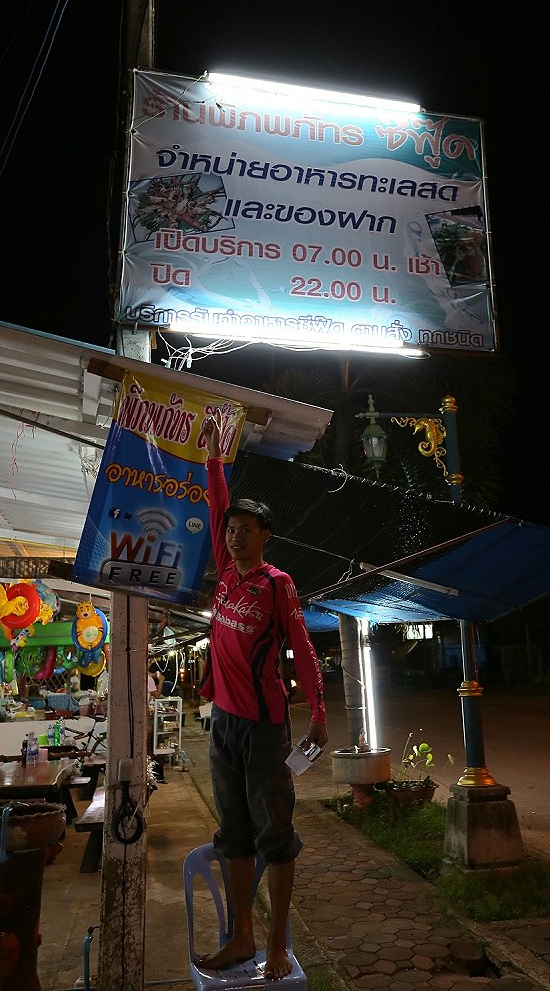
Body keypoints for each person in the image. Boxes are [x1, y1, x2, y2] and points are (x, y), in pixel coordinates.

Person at [199, 408, 328, 979]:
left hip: (264, 725)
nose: (235, 533)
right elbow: (215, 503)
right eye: (232, 527)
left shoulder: (278, 585)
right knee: (233, 832)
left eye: (246, 528)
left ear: (265, 536)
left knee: (276, 833)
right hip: (223, 722)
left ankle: (277, 945)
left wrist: (319, 712)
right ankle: (242, 939)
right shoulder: (225, 571)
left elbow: (302, 648)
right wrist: (212, 457)